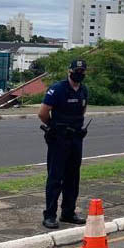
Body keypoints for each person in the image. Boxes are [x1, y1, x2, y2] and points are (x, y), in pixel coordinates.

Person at [38, 59, 90, 229]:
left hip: (76, 139)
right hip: (59, 139)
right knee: (55, 177)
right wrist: (54, 128)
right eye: (77, 70)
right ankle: (50, 215)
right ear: (69, 71)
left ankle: (68, 212)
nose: (79, 74)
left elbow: (82, 111)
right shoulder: (57, 89)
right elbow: (43, 113)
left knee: (73, 177)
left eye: (82, 71)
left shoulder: (84, 90)